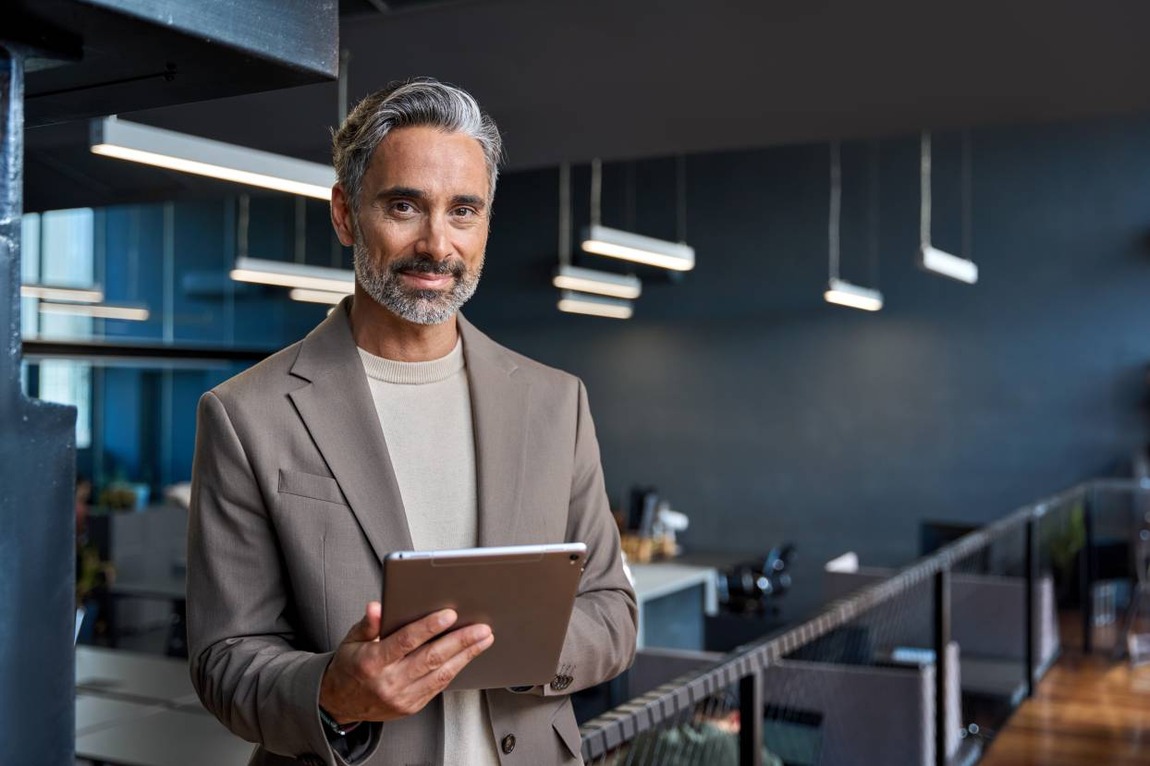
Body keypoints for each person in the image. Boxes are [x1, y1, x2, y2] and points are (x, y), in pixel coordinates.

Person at [187, 78, 638, 766]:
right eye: (405, 206)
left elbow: (613, 610)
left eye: (464, 211)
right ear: (345, 215)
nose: (437, 243)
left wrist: (520, 645)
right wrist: (331, 692)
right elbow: (223, 659)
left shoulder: (556, 403)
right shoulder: (247, 414)